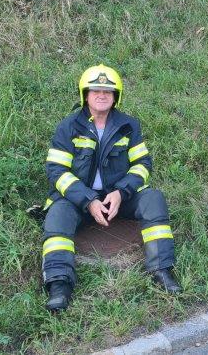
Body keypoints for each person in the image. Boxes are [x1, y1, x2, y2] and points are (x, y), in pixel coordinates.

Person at [41, 64, 181, 312]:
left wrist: (121, 193)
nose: (101, 95)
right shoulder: (68, 127)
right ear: (85, 94)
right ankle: (59, 284)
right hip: (78, 200)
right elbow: (56, 171)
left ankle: (161, 270)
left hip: (118, 198)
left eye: (108, 91)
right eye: (95, 90)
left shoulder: (128, 126)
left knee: (153, 198)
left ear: (116, 96)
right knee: (58, 213)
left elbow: (143, 164)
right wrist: (88, 200)